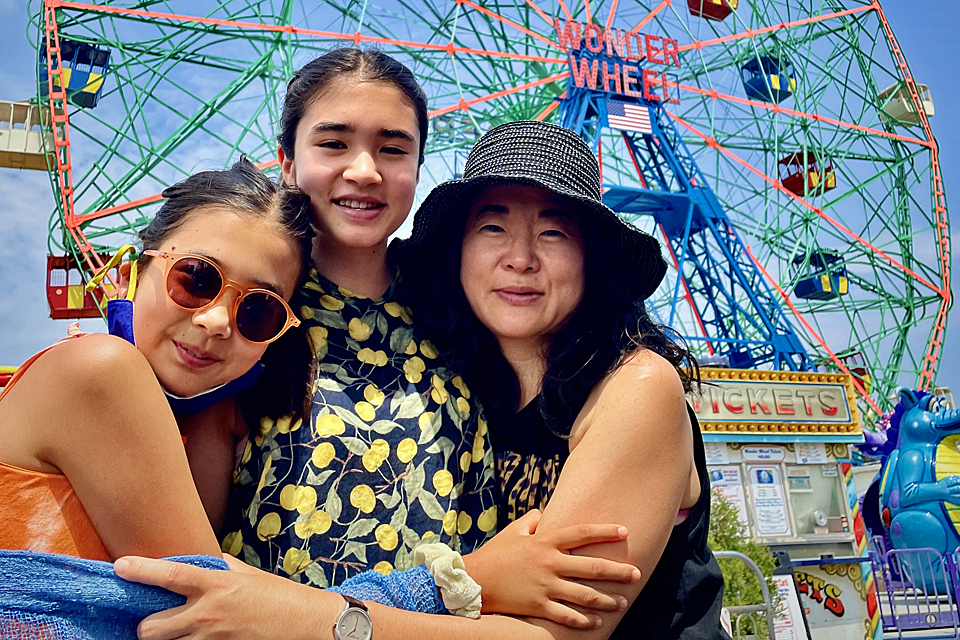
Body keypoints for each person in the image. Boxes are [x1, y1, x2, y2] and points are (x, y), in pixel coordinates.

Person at [391, 119, 728, 638]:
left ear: (591, 259)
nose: (521, 259)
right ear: (457, 251)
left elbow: (560, 630)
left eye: (553, 232)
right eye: (492, 228)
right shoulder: (451, 390)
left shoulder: (636, 386)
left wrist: (335, 617)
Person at [0, 158, 311, 561]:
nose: (216, 322)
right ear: (132, 271)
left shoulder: (207, 421)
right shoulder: (100, 369)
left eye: (258, 311)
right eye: (197, 278)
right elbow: (200, 592)